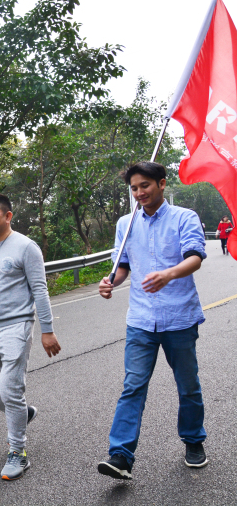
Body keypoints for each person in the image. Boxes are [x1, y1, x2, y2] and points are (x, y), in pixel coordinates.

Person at [98, 162, 208, 480]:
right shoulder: (126, 223)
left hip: (180, 318)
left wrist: (169, 274)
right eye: (134, 188)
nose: (139, 193)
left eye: (145, 185)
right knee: (132, 387)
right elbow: (122, 266)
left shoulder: (184, 217)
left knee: (188, 386)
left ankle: (193, 440)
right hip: (141, 320)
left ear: (162, 183)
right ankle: (120, 455)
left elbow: (195, 257)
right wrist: (110, 282)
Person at [0, 194, 60, 481]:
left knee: (10, 391)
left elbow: (40, 290)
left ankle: (18, 451)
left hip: (16, 328)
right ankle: (23, 413)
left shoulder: (26, 247)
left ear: (7, 216)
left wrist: (47, 330)